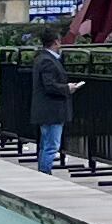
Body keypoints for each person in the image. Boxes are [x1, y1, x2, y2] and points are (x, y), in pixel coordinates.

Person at [29, 25, 76, 171]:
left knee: (46, 145)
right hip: (52, 110)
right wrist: (67, 88)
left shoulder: (42, 58)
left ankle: (43, 173)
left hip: (47, 110)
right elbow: (49, 85)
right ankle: (45, 173)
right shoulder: (47, 61)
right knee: (51, 146)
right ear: (56, 42)